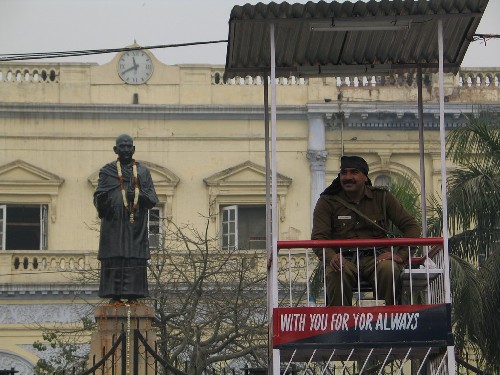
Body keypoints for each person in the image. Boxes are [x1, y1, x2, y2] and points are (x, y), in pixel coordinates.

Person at [311, 156, 421, 306]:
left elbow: (412, 227)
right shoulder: (327, 202)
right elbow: (318, 237)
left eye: (354, 172)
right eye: (344, 173)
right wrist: (332, 257)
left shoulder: (382, 198)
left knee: (388, 268)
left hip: (376, 258)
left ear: (365, 176)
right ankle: (340, 324)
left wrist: (400, 256)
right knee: (337, 270)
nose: (348, 177)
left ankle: (387, 320)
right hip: (344, 258)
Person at [94, 134, 158, 304]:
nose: (126, 149)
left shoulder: (143, 172)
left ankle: (133, 296)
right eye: (122, 146)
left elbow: (152, 199)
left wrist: (137, 194)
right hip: (113, 224)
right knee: (114, 256)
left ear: (133, 149)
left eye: (129, 146)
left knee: (133, 257)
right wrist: (102, 201)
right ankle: (114, 296)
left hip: (135, 225)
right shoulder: (107, 171)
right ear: (116, 150)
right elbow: (98, 198)